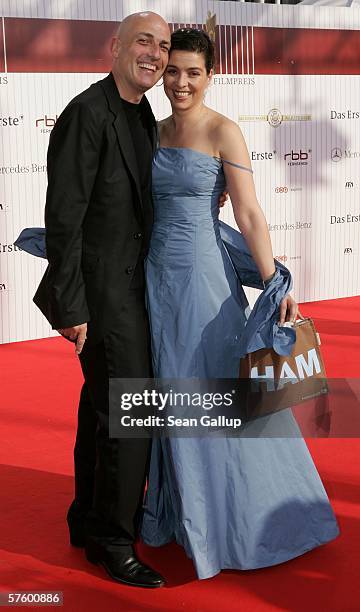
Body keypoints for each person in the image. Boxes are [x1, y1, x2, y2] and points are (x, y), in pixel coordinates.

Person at [140, 28, 339, 580]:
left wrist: (275, 282)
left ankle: (242, 519)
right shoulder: (149, 131)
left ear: (210, 76)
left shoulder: (224, 131)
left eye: (192, 73)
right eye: (172, 71)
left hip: (204, 279)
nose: (180, 82)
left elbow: (248, 213)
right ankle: (187, 514)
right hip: (156, 279)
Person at [33, 11, 172, 588]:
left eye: (163, 47)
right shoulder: (87, 114)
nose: (156, 54)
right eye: (145, 41)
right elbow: (63, 217)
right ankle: (116, 540)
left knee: (102, 409)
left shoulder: (145, 118)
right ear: (115, 46)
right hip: (101, 295)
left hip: (136, 289)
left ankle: (88, 523)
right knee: (131, 413)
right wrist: (73, 307)